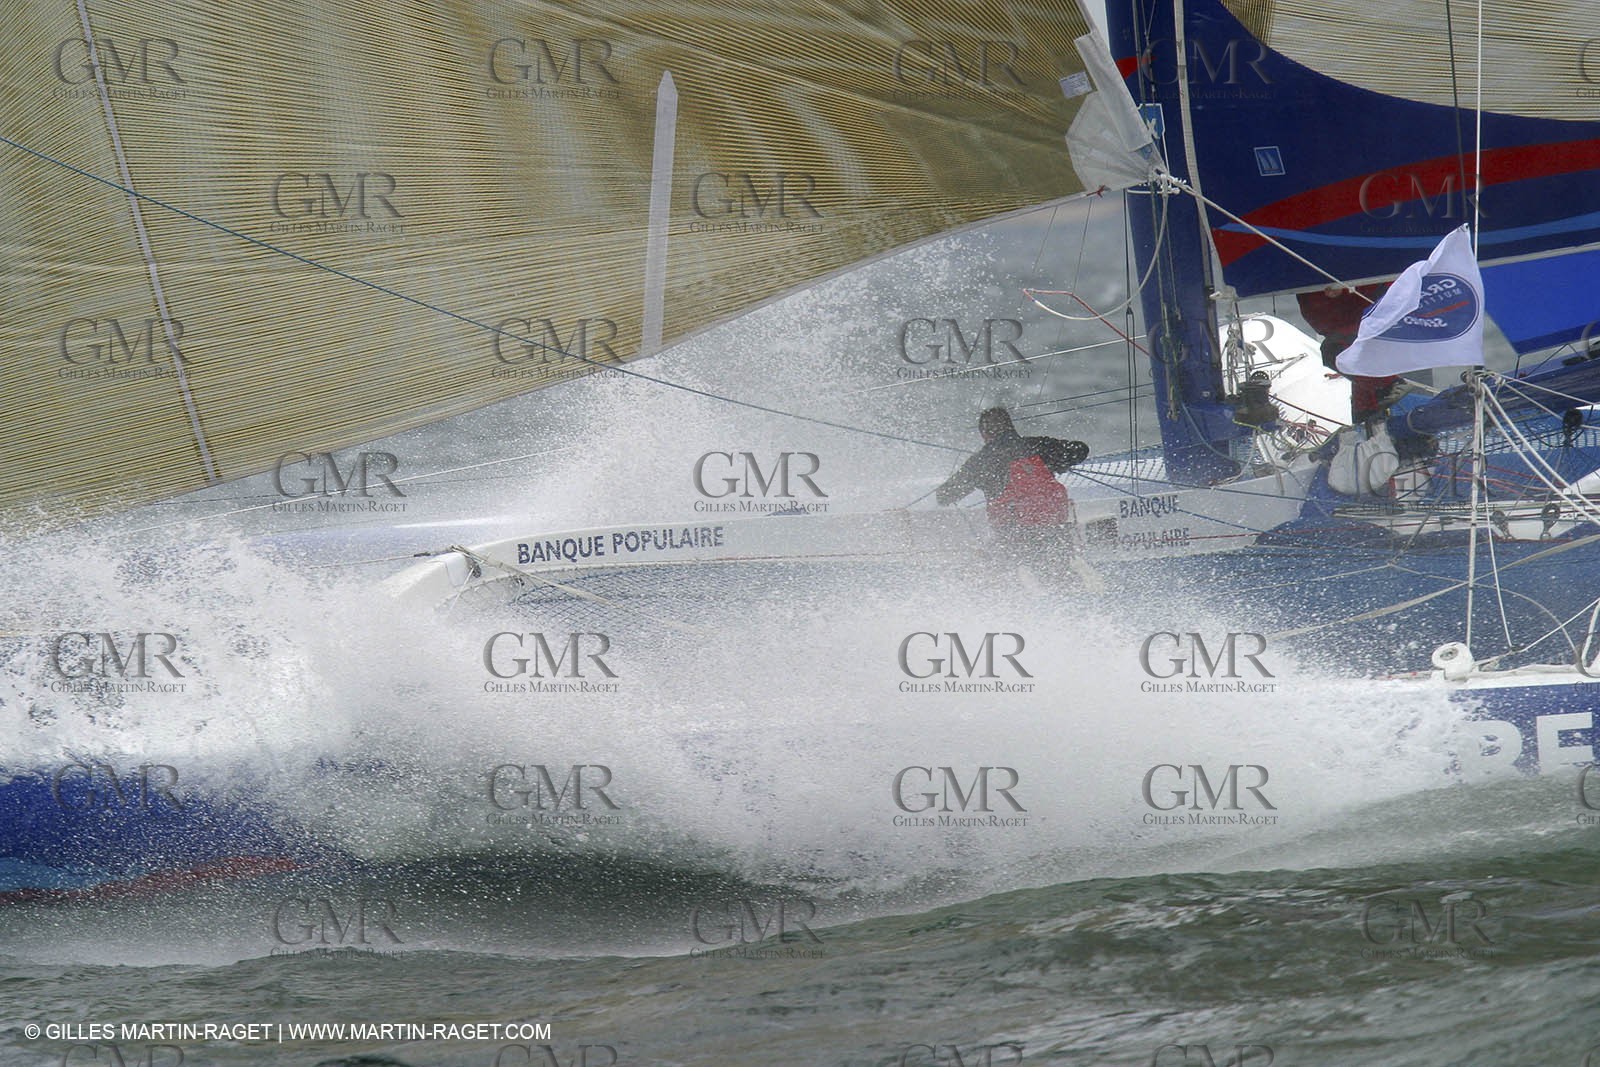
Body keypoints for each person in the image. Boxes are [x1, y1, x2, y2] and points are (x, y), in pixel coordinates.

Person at [935, 408, 1088, 548]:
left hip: (1012, 536)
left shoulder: (980, 462)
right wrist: (1058, 460)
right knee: (1058, 576)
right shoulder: (1039, 446)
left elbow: (944, 496)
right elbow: (1081, 450)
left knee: (996, 573)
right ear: (1011, 427)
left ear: (984, 434)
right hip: (1054, 530)